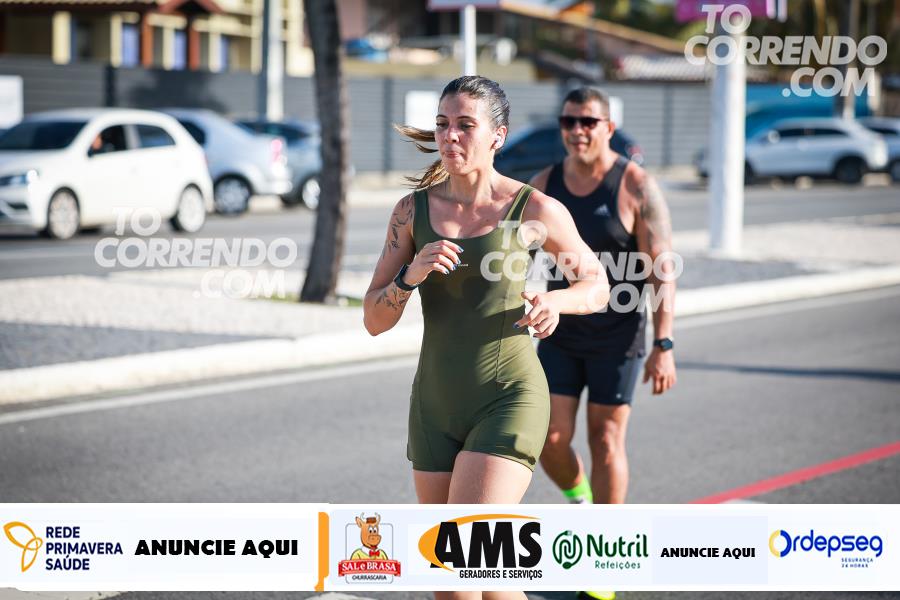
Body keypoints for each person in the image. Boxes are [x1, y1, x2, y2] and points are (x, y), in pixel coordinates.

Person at [363, 75, 609, 600]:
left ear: (498, 135)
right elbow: (373, 319)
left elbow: (596, 285)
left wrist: (556, 302)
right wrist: (410, 276)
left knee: (467, 565)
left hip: (508, 398)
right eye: (442, 124)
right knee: (461, 584)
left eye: (465, 125)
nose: (450, 136)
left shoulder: (534, 209)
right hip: (434, 405)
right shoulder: (411, 212)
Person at [530, 87, 677, 513]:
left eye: (588, 122)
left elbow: (661, 270)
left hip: (617, 336)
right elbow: (514, 255)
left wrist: (664, 344)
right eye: (568, 121)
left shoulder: (636, 186)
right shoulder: (545, 185)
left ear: (609, 127)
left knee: (606, 439)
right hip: (561, 331)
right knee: (548, 438)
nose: (577, 130)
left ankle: (606, 544)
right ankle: (582, 501)